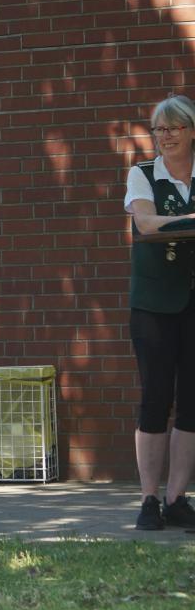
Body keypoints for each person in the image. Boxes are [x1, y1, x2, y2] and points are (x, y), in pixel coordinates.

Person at [123, 94, 195, 531]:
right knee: (155, 397)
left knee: (193, 402)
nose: (165, 136)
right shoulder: (143, 174)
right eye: (159, 129)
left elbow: (159, 224)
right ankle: (149, 498)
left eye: (174, 127)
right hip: (153, 304)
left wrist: (179, 222)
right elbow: (145, 224)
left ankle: (177, 498)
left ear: (191, 131)